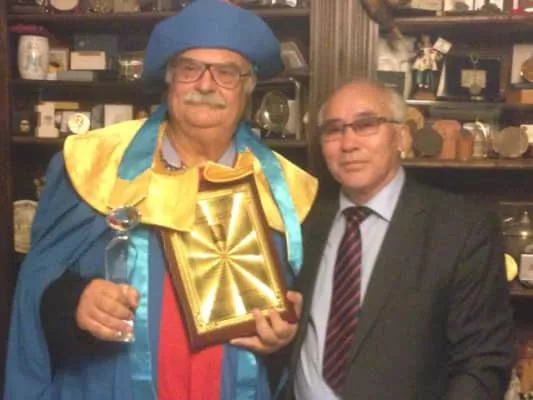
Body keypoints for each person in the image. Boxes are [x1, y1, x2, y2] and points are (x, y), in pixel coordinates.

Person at [4, 1, 318, 399]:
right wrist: (74, 302)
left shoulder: (286, 192)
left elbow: (305, 328)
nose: (206, 86)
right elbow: (35, 285)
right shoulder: (94, 163)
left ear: (248, 88)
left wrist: (282, 341)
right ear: (169, 80)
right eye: (190, 69)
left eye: (226, 73)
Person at [289, 79, 514, 399]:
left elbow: (483, 361)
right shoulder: (303, 218)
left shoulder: (461, 228)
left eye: (366, 125)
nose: (348, 143)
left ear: (402, 136)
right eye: (333, 130)